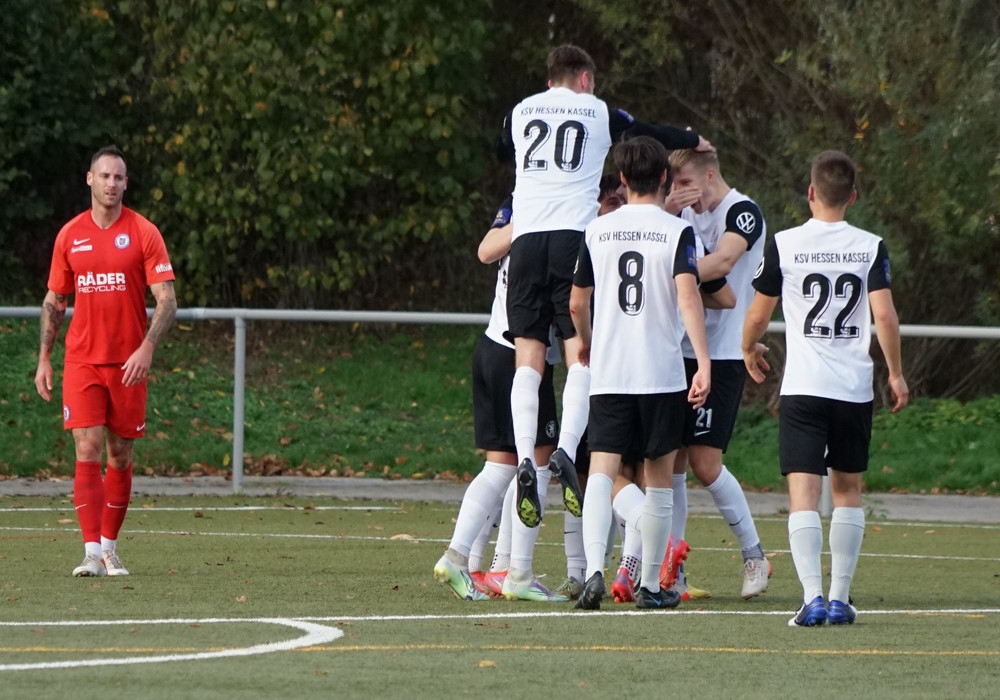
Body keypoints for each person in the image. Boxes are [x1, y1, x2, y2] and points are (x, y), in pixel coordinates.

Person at [498, 44, 713, 537]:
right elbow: (649, 133)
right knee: (580, 353)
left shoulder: (520, 111)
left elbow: (501, 144)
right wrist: (692, 139)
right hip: (571, 238)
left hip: (525, 240)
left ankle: (527, 453)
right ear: (585, 79)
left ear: (548, 78)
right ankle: (566, 449)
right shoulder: (598, 111)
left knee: (528, 355)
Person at [742, 149, 909, 626]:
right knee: (847, 491)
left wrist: (748, 347)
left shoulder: (786, 243)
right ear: (852, 196)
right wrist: (895, 373)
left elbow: (758, 313)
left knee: (803, 494)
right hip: (853, 388)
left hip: (804, 387)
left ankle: (812, 597)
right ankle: (839, 598)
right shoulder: (870, 246)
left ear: (811, 192)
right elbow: (884, 316)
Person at [569, 136, 711, 610]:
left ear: (624, 179)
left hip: (611, 372)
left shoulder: (597, 229)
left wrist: (586, 340)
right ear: (665, 177)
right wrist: (704, 362)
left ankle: (593, 571)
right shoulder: (676, 232)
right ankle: (650, 584)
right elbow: (689, 297)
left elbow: (577, 302)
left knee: (601, 470)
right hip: (661, 373)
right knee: (659, 479)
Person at [34, 145, 177, 578]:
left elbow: (167, 300)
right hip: (82, 360)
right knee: (87, 447)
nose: (111, 183)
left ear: (126, 184)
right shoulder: (69, 235)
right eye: (104, 176)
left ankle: (111, 549)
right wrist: (44, 358)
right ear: (90, 179)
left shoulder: (144, 232)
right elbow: (55, 300)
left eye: (118, 177)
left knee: (120, 454)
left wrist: (147, 347)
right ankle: (91, 553)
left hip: (128, 364)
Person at [433, 196, 567, 602]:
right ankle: (514, 572)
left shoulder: (535, 205)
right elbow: (486, 249)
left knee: (501, 467)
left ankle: (463, 559)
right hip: (519, 354)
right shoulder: (548, 211)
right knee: (536, 464)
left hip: (494, 347)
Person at [661, 147, 771, 601]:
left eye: (686, 182)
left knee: (705, 464)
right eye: (673, 185)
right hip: (677, 349)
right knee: (669, 462)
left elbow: (723, 262)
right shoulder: (678, 214)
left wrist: (666, 275)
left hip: (722, 354)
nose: (680, 192)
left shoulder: (741, 212)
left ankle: (754, 554)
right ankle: (672, 570)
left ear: (709, 175)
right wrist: (666, 215)